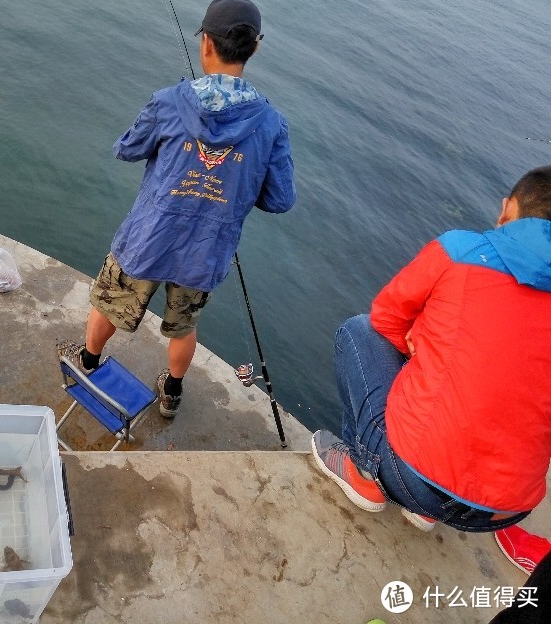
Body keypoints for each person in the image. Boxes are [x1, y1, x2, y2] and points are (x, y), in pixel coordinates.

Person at [57, 0, 296, 417]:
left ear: (206, 43)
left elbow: (127, 148)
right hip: (205, 252)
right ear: (254, 49)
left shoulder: (169, 101)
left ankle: (88, 362)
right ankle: (171, 393)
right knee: (184, 326)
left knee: (109, 301)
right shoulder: (272, 123)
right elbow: (279, 199)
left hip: (146, 240)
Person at [312, 165, 551, 532]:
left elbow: (386, 320)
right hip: (506, 512)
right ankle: (424, 511)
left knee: (358, 332)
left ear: (508, 209)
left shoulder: (460, 250)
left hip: (415, 480)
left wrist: (422, 343)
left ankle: (366, 473)